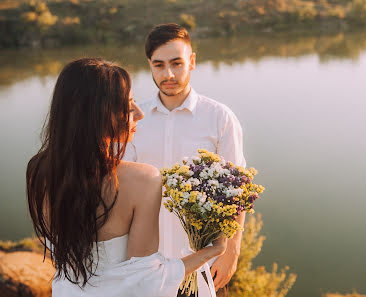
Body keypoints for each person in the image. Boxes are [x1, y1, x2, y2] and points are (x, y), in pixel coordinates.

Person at [26, 58, 227, 297]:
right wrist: (212, 250)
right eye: (128, 105)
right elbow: (146, 282)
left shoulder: (38, 170)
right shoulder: (143, 180)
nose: (139, 113)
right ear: (95, 113)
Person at [126, 23, 246, 297]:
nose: (168, 74)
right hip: (147, 266)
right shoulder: (133, 118)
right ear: (150, 65)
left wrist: (231, 252)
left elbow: (237, 192)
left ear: (192, 61)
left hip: (203, 265)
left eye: (176, 63)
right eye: (159, 65)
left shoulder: (219, 118)